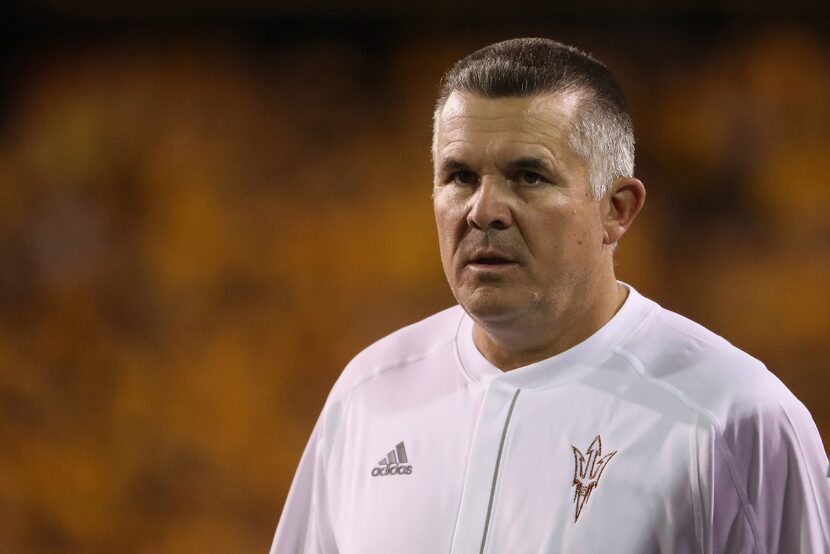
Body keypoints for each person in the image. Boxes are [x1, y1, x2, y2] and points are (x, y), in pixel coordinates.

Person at [269, 38, 830, 553]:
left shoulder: (734, 417)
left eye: (529, 176)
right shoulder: (371, 393)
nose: (483, 210)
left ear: (617, 209)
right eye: (459, 176)